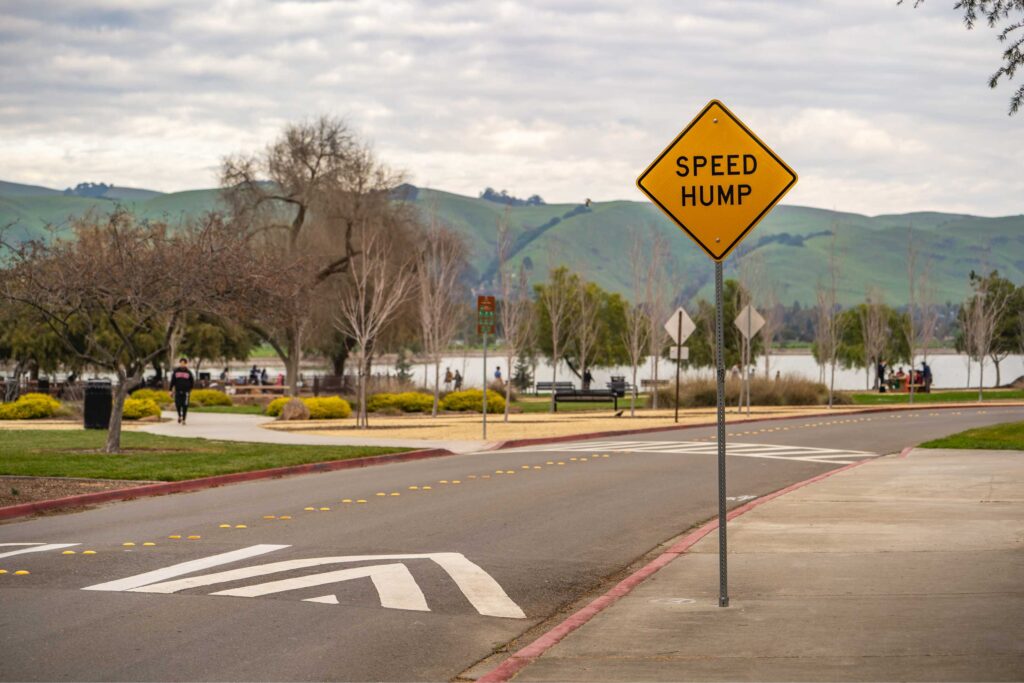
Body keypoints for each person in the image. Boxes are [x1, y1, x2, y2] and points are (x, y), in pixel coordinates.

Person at [169, 357, 195, 425]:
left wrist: (189, 389)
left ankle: (184, 419)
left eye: (184, 363)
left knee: (185, 405)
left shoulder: (189, 372)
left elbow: (192, 382)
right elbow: (172, 381)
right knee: (178, 404)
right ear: (180, 363)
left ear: (186, 364)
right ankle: (179, 416)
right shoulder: (176, 371)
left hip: (186, 392)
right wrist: (170, 390)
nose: (182, 364)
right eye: (181, 363)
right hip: (177, 391)